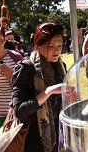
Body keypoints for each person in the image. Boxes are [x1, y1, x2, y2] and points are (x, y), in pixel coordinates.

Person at [12, 22, 73, 152]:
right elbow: (19, 111)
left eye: (60, 45)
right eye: (51, 46)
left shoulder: (60, 66)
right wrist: (48, 92)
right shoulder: (26, 68)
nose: (57, 50)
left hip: (55, 137)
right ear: (38, 46)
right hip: (32, 140)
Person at [0, 27, 23, 131]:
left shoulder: (16, 57)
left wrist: (12, 75)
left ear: (4, 40)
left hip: (12, 113)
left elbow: (26, 84)